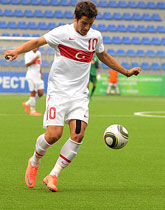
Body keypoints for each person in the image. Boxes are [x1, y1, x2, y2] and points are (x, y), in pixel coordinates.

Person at [4, 1, 141, 192]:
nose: (86, 28)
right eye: (84, 23)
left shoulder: (95, 37)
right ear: (75, 18)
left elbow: (103, 56)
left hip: (79, 95)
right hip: (58, 93)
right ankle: (34, 160)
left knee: (78, 134)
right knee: (54, 135)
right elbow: (37, 42)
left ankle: (53, 175)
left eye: (90, 24)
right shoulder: (62, 33)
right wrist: (17, 51)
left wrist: (125, 71)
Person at [22, 48, 44, 116]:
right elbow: (27, 64)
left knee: (41, 93)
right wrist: (34, 59)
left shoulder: (39, 53)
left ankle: (27, 103)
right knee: (33, 92)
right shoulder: (28, 53)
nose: (36, 48)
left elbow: (39, 65)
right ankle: (33, 111)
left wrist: (41, 74)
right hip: (31, 76)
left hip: (38, 76)